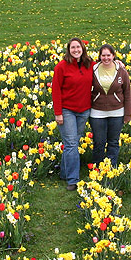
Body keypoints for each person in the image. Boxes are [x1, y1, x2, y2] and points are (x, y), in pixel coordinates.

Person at [51, 38, 93, 191]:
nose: (76, 50)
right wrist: (58, 113)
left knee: (73, 142)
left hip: (84, 110)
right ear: (68, 50)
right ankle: (73, 180)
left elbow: (105, 66)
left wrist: (118, 64)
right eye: (73, 47)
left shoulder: (90, 64)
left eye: (78, 47)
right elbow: (55, 90)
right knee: (71, 144)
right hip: (67, 110)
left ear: (83, 48)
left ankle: (64, 172)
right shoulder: (61, 67)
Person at [89, 44, 131, 166]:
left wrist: (127, 114)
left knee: (113, 142)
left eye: (109, 55)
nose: (106, 58)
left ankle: (111, 169)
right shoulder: (94, 69)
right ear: (100, 56)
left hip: (117, 111)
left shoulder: (121, 71)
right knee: (99, 142)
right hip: (97, 111)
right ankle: (97, 168)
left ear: (113, 56)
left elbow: (127, 93)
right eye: (103, 55)